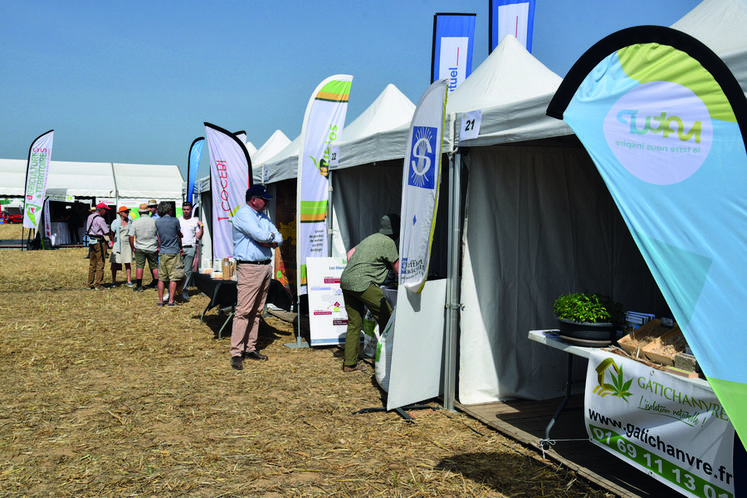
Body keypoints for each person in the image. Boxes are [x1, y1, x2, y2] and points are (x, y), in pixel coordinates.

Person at [229, 184, 282, 370]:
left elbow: (278, 236)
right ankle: (236, 352)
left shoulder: (261, 216)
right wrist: (268, 239)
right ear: (254, 200)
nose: (267, 202)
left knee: (257, 310)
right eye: (264, 199)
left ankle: (250, 347)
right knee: (244, 310)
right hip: (251, 267)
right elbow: (261, 234)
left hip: (264, 266)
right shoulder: (244, 214)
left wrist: (269, 240)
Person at [339, 213, 400, 372]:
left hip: (346, 280)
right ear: (397, 231)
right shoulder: (389, 242)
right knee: (387, 317)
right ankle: (390, 361)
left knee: (354, 323)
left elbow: (350, 254)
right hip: (363, 283)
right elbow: (398, 270)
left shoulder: (371, 238)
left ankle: (349, 364)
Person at [154, 201, 183, 307]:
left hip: (163, 252)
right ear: (168, 210)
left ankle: (161, 300)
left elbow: (159, 238)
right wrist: (181, 247)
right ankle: (171, 300)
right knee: (173, 278)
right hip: (173, 251)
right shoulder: (175, 221)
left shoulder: (157, 222)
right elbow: (179, 236)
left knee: (161, 278)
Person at [129, 203, 159, 292]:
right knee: (154, 266)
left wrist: (133, 247)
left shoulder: (135, 222)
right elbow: (159, 235)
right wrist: (159, 246)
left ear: (140, 213)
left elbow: (131, 236)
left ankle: (139, 286)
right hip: (152, 246)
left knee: (139, 267)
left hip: (140, 247)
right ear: (148, 212)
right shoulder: (154, 222)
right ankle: (157, 284)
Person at [178, 201, 203, 302]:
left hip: (190, 247)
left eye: (188, 209)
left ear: (191, 210)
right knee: (178, 270)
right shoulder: (178, 220)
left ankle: (184, 290)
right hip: (180, 247)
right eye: (184, 209)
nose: (186, 211)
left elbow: (198, 236)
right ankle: (176, 289)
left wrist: (202, 227)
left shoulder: (194, 221)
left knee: (188, 271)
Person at [85, 202, 113, 290]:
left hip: (92, 240)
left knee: (92, 263)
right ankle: (98, 284)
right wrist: (111, 239)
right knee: (100, 262)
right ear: (101, 210)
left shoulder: (90, 216)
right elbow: (106, 231)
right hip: (99, 241)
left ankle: (90, 283)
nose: (105, 212)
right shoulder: (100, 219)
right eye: (105, 210)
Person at [108, 206, 134, 287]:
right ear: (120, 213)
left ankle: (129, 280)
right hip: (118, 244)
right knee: (115, 262)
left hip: (127, 244)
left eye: (127, 212)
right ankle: (113, 281)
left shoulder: (129, 221)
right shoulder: (115, 222)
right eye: (125, 212)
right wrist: (113, 242)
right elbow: (111, 233)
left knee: (127, 262)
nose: (127, 213)